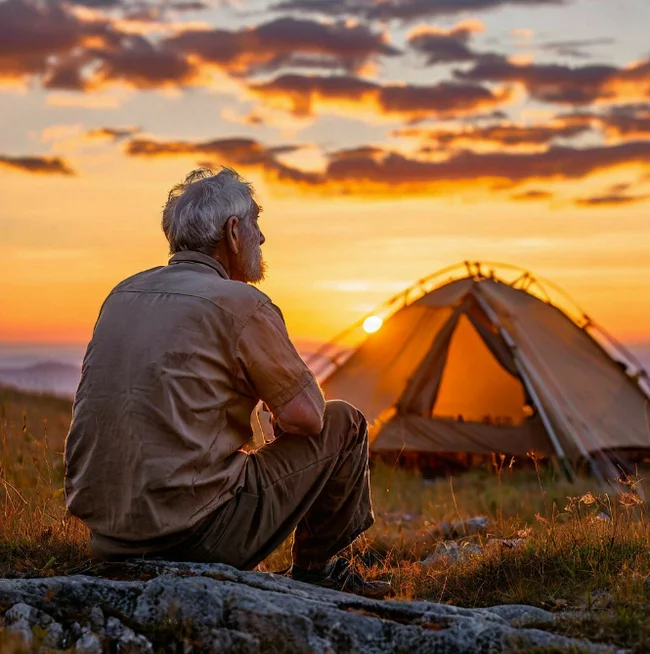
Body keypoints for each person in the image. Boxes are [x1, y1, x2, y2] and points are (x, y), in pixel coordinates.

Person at [64, 167, 390, 599]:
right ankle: (318, 574)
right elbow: (308, 418)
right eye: (256, 223)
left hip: (108, 535)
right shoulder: (242, 304)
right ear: (233, 232)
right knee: (344, 422)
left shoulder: (122, 293)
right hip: (193, 536)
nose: (262, 239)